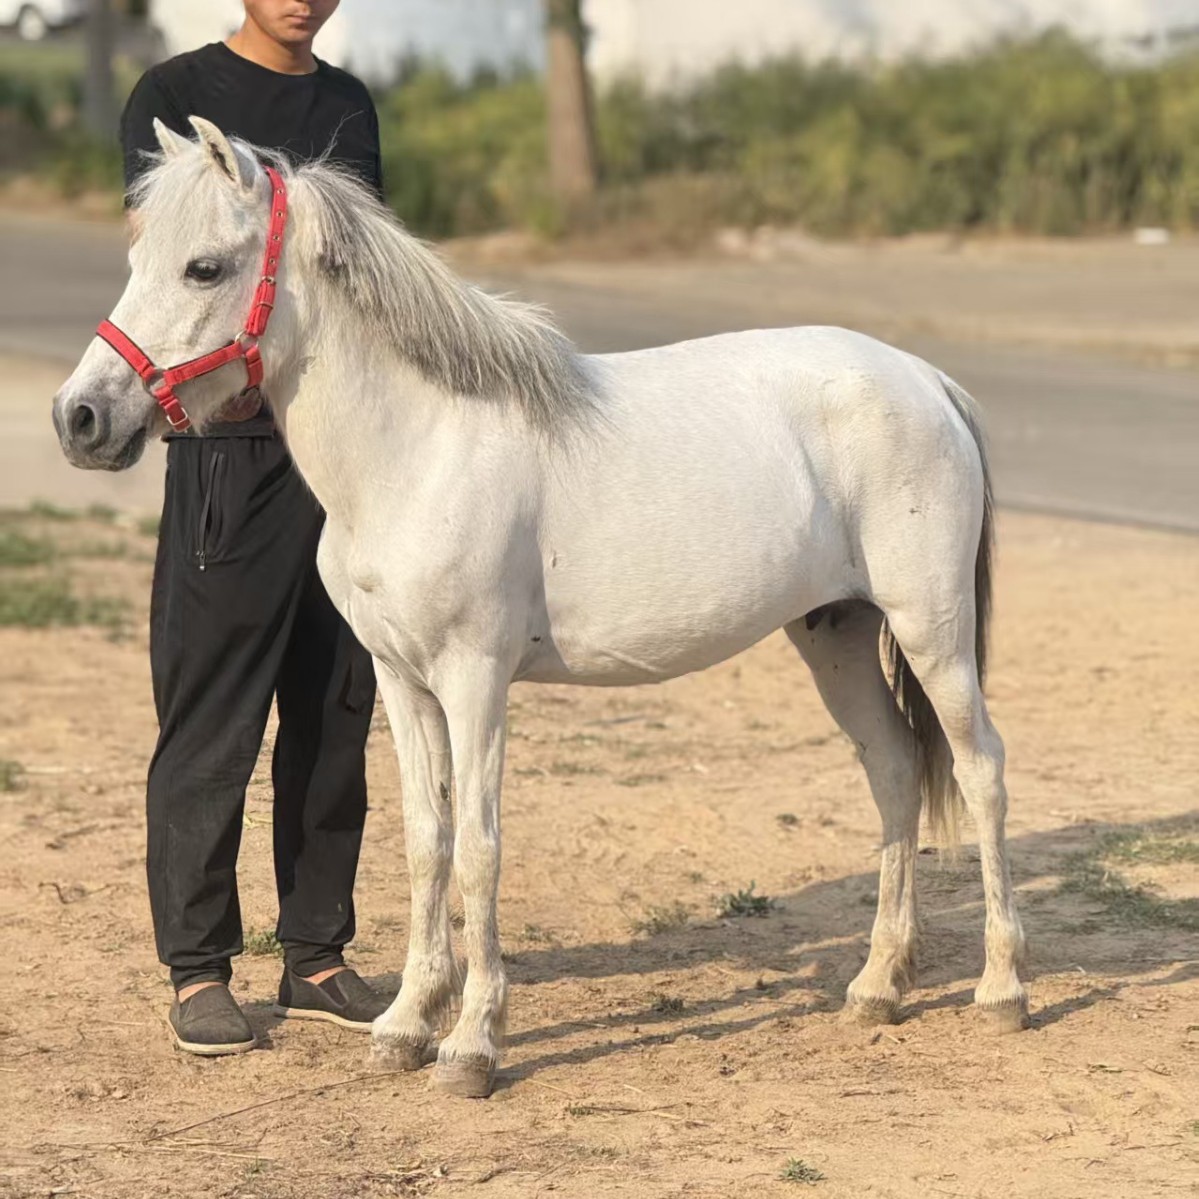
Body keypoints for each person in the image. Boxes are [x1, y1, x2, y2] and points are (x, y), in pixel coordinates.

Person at [120, 0, 390, 1056]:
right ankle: (197, 971)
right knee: (212, 713)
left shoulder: (347, 104)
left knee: (336, 708)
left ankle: (317, 954)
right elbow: (163, 263)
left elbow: (363, 270)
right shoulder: (174, 98)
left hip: (340, 448)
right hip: (230, 454)